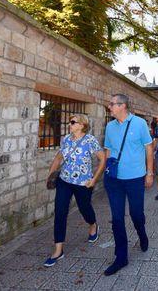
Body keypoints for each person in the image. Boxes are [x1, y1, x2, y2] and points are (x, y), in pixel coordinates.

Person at [44, 114, 106, 267]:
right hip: (64, 181)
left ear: (82, 125)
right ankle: (58, 249)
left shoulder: (89, 140)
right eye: (70, 122)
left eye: (73, 122)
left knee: (84, 208)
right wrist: (50, 175)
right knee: (60, 212)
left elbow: (103, 158)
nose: (69, 124)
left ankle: (93, 225)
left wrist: (94, 179)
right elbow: (59, 158)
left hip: (83, 183)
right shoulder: (66, 139)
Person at [103, 94, 154, 276]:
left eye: (112, 104)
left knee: (136, 214)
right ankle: (121, 257)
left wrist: (149, 172)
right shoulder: (110, 126)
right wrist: (106, 171)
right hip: (114, 180)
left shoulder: (139, 123)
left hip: (135, 179)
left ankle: (142, 233)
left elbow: (149, 147)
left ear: (122, 106)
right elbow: (108, 150)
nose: (109, 107)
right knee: (117, 219)